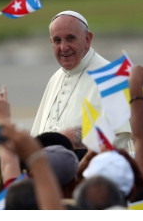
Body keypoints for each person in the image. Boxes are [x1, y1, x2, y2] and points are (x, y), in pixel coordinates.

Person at [30, 10, 131, 149]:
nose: (63, 48)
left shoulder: (111, 76)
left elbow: (117, 140)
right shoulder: (55, 78)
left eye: (70, 38)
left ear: (87, 39)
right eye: (57, 40)